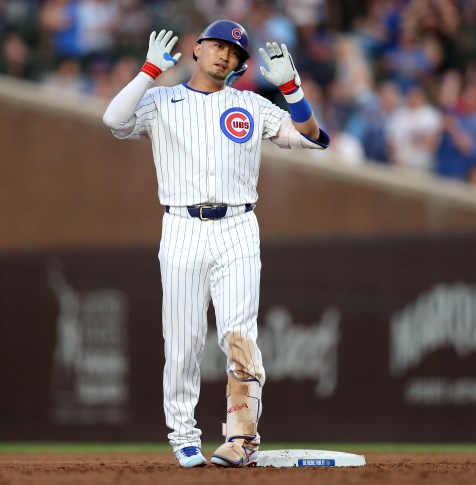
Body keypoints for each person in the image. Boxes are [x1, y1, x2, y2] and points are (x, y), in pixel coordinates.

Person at [102, 20, 329, 468]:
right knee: (183, 340)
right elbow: (113, 119)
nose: (225, 55)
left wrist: (291, 87)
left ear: (242, 66)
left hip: (239, 225)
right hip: (182, 225)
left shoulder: (250, 104)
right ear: (198, 48)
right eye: (218, 45)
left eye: (235, 52)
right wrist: (149, 70)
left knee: (239, 334)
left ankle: (242, 438)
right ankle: (183, 434)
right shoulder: (161, 100)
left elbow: (312, 137)